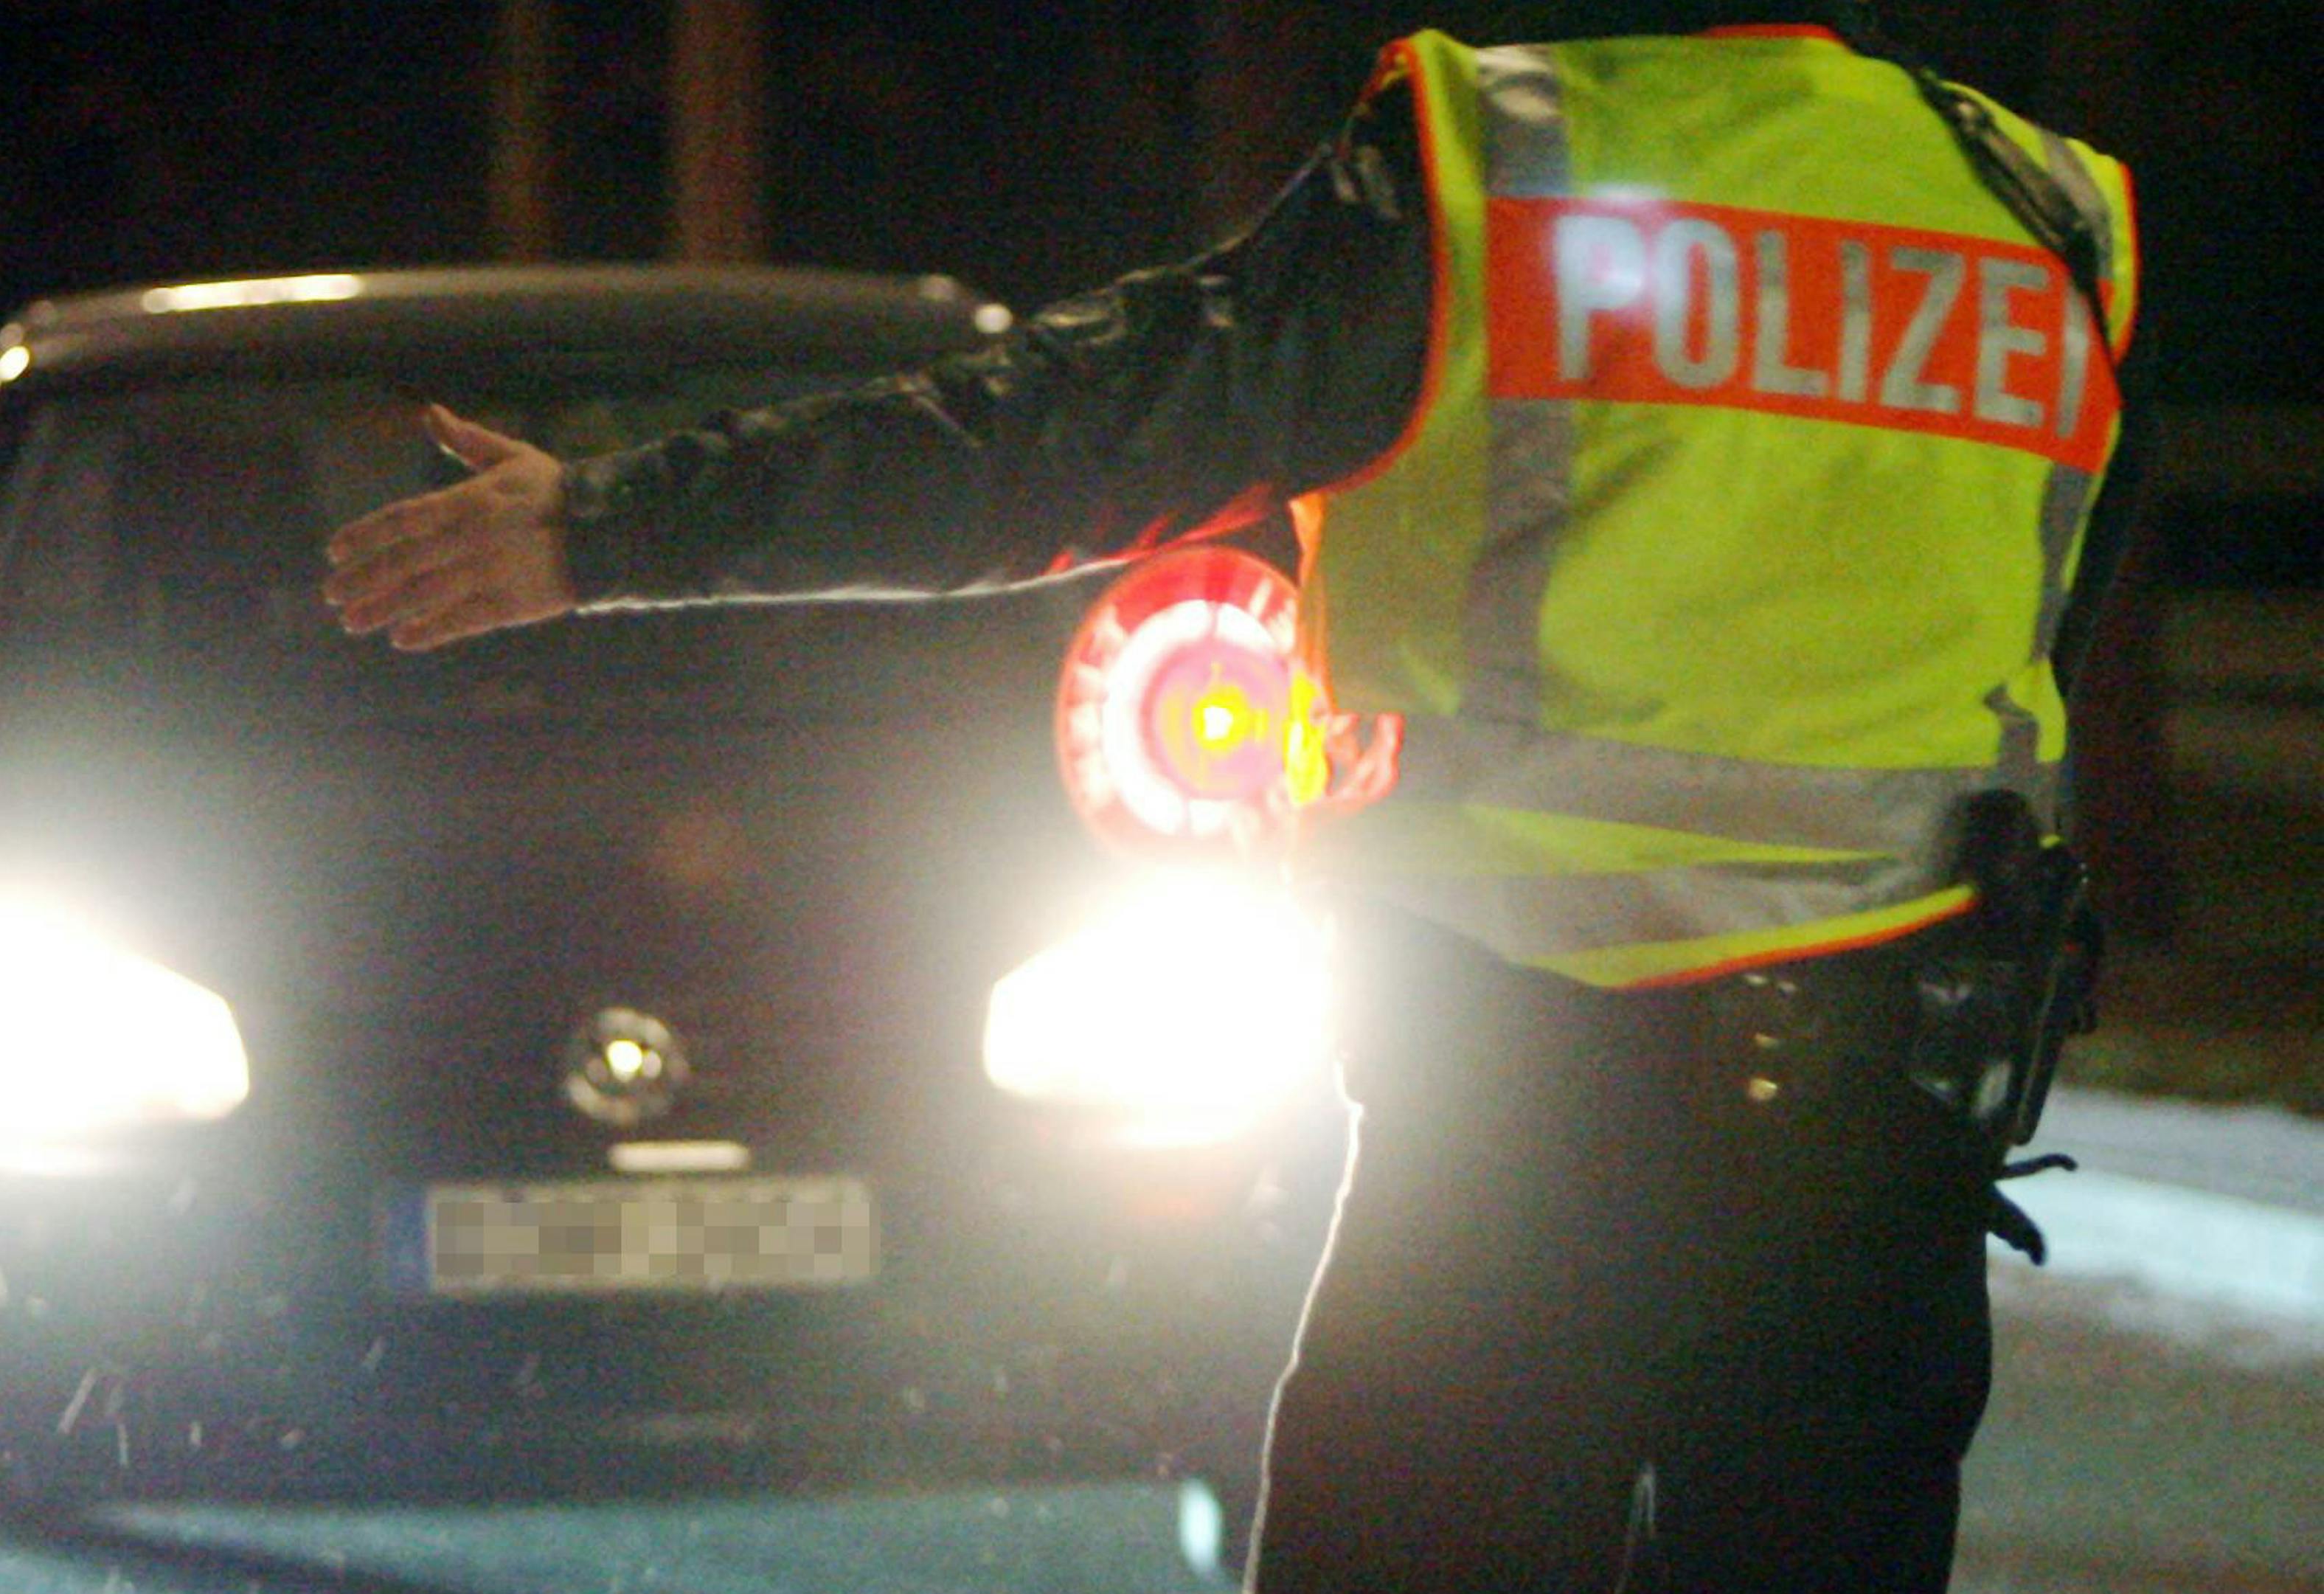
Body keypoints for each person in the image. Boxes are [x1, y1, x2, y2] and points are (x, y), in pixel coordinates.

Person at [322, 3, 2142, 1588]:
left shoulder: (1503, 165)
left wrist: (612, 526)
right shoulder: (2044, 211)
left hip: (1519, 1152)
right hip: (1882, 1165)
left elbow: (1071, 431)